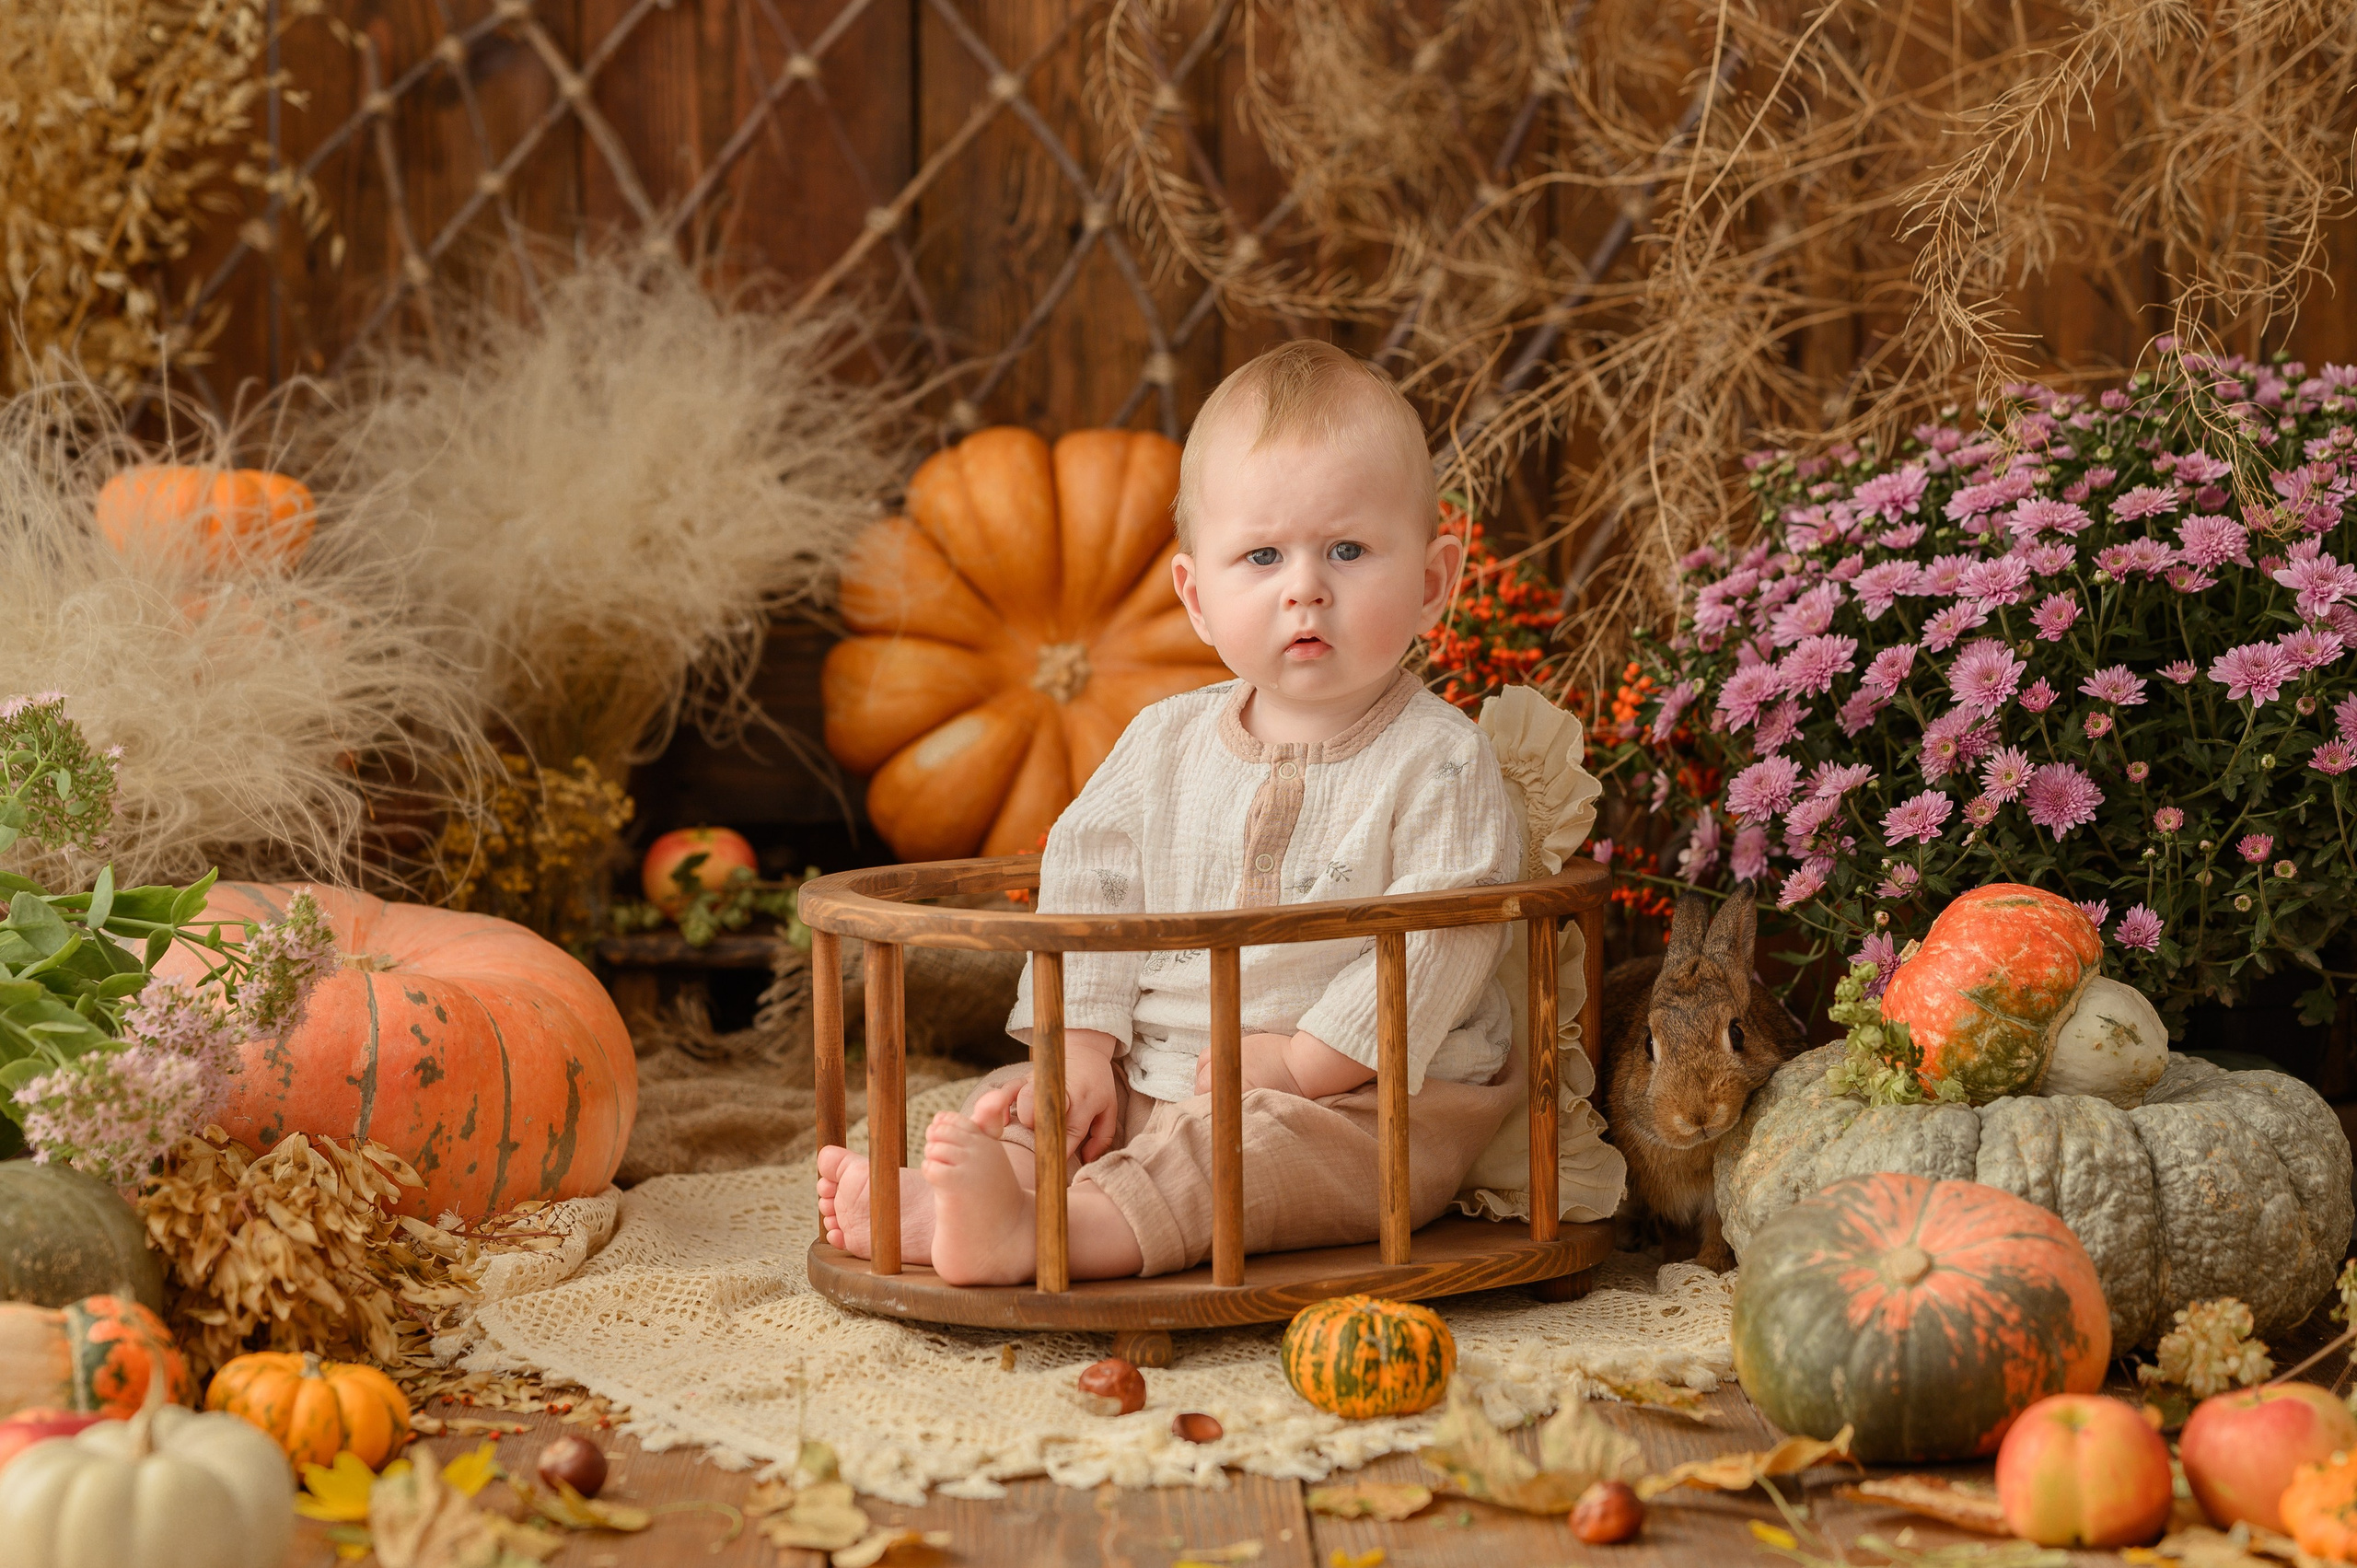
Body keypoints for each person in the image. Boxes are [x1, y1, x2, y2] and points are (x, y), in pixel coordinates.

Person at [816, 340, 1526, 1283]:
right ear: (1195, 595)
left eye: (1347, 549)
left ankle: (1035, 1235)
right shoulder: (1162, 744)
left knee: (1233, 1152)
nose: (1304, 585)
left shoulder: (1438, 757)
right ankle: (947, 1205)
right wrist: (1081, 1050)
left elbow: (1446, 935)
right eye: (1263, 554)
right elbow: (1091, 884)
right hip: (1154, 1075)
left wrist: (1306, 1060)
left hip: (1360, 1109)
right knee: (1024, 1103)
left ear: (1435, 581)